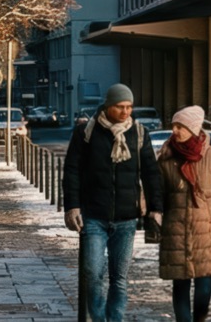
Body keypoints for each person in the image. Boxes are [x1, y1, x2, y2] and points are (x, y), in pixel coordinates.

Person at [64, 84, 164, 322]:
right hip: (94, 215)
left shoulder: (138, 133)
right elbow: (72, 171)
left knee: (119, 277)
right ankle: (99, 319)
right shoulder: (86, 132)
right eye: (120, 106)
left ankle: (115, 319)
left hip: (126, 217)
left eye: (129, 107)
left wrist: (156, 209)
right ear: (108, 106)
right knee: (93, 273)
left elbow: (151, 174)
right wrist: (72, 206)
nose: (125, 111)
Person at [158, 106, 211, 322]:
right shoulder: (166, 157)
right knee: (179, 284)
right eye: (173, 126)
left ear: (192, 128)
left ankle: (199, 318)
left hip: (206, 229)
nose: (174, 130)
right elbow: (157, 195)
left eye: (179, 126)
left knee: (204, 284)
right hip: (176, 229)